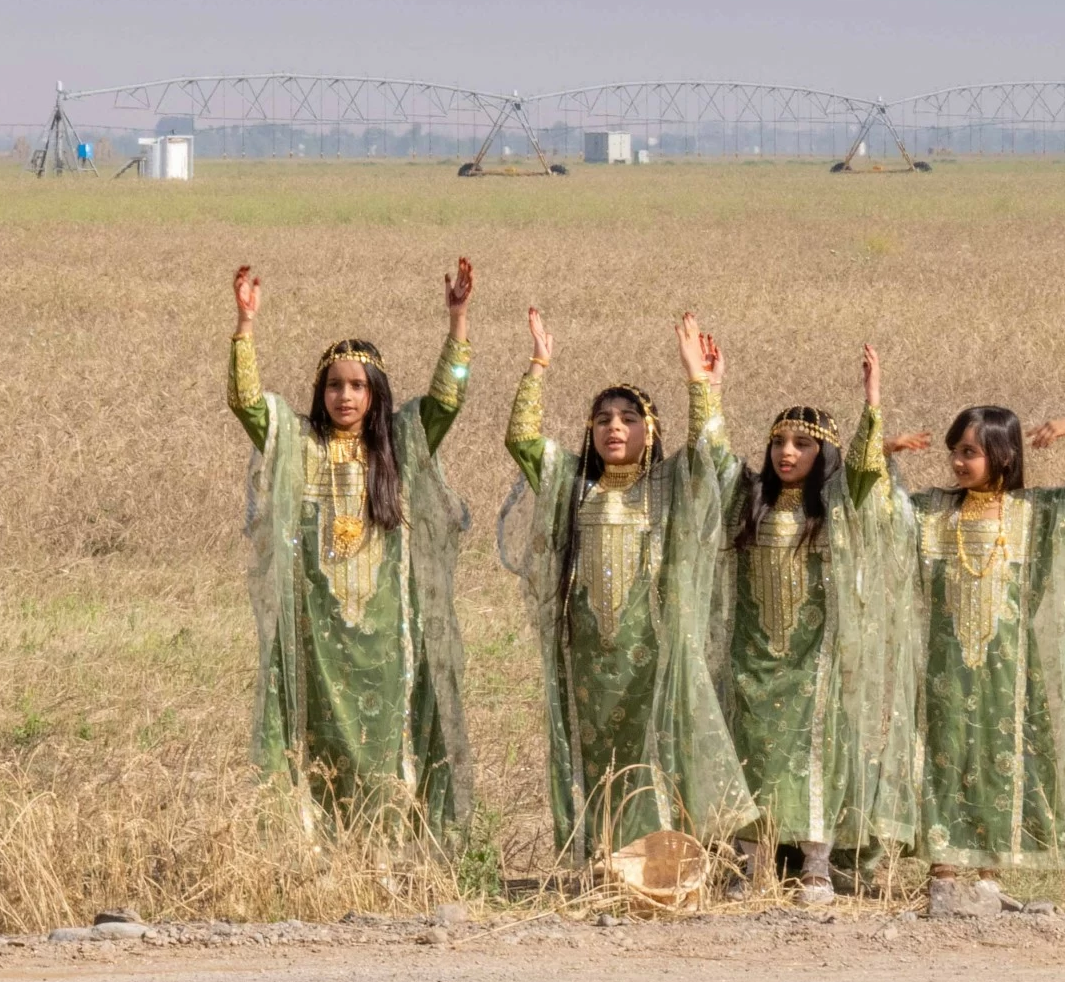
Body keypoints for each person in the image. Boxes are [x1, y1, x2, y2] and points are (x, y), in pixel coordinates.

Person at [227, 259, 477, 837]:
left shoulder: (401, 447)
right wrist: (245, 326)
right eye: (334, 385)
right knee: (314, 745)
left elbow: (445, 403)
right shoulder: (298, 443)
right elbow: (246, 404)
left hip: (387, 638)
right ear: (320, 392)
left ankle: (388, 856)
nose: (345, 396)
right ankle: (317, 856)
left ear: (376, 394)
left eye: (358, 385)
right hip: (315, 637)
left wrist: (458, 322)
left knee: (387, 745)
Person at [500, 307, 753, 863]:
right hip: (588, 659)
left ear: (650, 430)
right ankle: (606, 862)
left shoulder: (669, 484)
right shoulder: (572, 484)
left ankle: (667, 861)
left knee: (658, 757)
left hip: (654, 658)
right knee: (599, 762)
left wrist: (699, 383)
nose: (614, 427)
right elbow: (521, 439)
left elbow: (713, 458)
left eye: (628, 418)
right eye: (602, 419)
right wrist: (539, 364)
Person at [712, 345, 923, 905]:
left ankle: (816, 868)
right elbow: (711, 456)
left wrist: (871, 406)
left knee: (816, 755)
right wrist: (707, 388)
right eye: (779, 442)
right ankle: (750, 866)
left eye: (802, 444)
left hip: (818, 659)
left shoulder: (835, 505)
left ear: (822, 453)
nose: (786, 453)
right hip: (752, 658)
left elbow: (862, 472)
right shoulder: (747, 500)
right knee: (753, 754)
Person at [891, 403, 1065, 918]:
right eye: (954, 451)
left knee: (1001, 761)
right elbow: (878, 508)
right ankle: (942, 876)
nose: (957, 463)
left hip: (1009, 671)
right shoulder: (931, 511)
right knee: (942, 757)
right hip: (942, 668)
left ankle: (990, 877)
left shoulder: (1033, 511)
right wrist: (883, 451)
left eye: (969, 452)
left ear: (1003, 454)